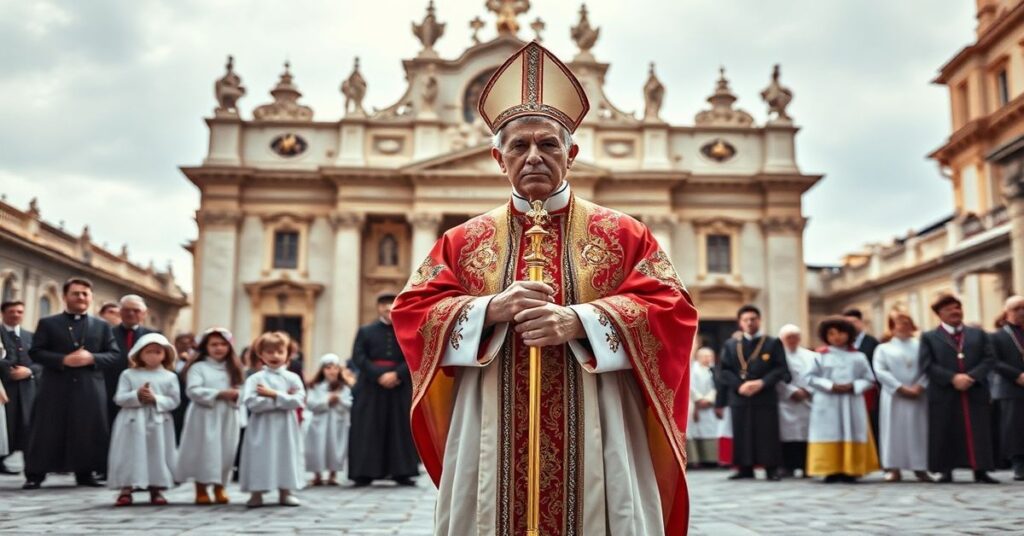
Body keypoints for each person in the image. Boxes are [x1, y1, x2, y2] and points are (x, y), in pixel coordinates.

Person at [391, 42, 697, 536]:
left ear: (572, 153)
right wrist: (489, 309)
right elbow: (410, 312)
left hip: (599, 427)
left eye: (548, 144)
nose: (533, 156)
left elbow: (673, 309)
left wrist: (582, 320)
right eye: (518, 146)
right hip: (490, 427)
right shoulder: (462, 240)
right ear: (498, 157)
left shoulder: (622, 233)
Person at [24, 277, 120, 489]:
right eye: (76, 293)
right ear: (65, 296)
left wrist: (92, 358)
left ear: (91, 298)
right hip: (55, 385)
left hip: (89, 386)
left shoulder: (102, 326)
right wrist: (63, 360)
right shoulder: (48, 323)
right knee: (47, 429)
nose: (81, 297)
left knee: (88, 429)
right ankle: (35, 474)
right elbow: (36, 352)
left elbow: (114, 354)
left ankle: (85, 472)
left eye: (85, 294)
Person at [920, 293, 998, 483]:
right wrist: (952, 378)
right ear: (939, 314)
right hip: (945, 391)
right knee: (946, 429)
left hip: (974, 388)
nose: (955, 312)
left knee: (979, 430)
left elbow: (989, 358)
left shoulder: (978, 334)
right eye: (949, 309)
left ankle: (981, 470)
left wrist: (971, 376)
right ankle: (946, 470)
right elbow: (927, 364)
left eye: (957, 308)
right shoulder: (930, 337)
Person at [348, 291, 420, 487]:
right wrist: (379, 375)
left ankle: (402, 471)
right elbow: (359, 357)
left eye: (392, 304)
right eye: (384, 304)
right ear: (378, 307)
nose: (388, 308)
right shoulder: (365, 331)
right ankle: (364, 472)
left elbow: (414, 354)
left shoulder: (407, 330)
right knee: (368, 427)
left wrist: (397, 374)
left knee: (400, 428)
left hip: (400, 385)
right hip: (371, 387)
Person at [718, 305, 789, 481]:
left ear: (759, 320)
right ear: (740, 323)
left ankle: (771, 468)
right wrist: (738, 385)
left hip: (764, 394)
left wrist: (762, 382)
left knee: (767, 432)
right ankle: (744, 468)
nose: (750, 322)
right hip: (739, 395)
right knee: (742, 430)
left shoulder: (772, 343)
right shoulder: (731, 344)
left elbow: (780, 368)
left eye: (753, 319)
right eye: (745, 320)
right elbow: (724, 370)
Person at [108, 333, 180, 506]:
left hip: (159, 422)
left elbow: (174, 400)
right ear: (139, 353)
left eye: (158, 352)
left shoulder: (170, 377)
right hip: (132, 422)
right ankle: (126, 488)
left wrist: (156, 399)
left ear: (165, 354)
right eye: (148, 352)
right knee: (129, 453)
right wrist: (137, 395)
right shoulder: (128, 374)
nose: (153, 356)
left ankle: (157, 487)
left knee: (157, 453)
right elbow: (119, 398)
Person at [805, 316, 880, 482]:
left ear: (849, 334)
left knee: (850, 431)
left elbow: (869, 379)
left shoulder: (858, 357)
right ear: (826, 336)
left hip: (851, 401)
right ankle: (829, 469)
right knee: (829, 433)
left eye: (840, 333)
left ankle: (851, 468)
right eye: (831, 333)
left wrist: (854, 386)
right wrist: (830, 385)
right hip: (827, 401)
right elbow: (809, 377)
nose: (836, 337)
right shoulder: (819, 356)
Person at [175, 327, 244, 504]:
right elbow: (193, 390)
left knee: (226, 450)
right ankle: (201, 486)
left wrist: (237, 395)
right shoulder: (198, 367)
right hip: (204, 415)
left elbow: (243, 390)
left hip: (227, 415)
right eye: (214, 344)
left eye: (222, 344)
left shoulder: (233, 368)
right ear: (205, 346)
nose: (218, 348)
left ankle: (220, 486)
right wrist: (220, 393)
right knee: (204, 450)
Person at [240, 331, 305, 507]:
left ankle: (286, 491)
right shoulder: (255, 379)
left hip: (286, 425)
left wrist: (273, 395)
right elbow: (252, 402)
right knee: (260, 455)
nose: (275, 356)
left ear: (287, 354)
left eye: (279, 352)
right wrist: (282, 400)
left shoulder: (293, 378)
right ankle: (256, 492)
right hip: (261, 425)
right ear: (261, 354)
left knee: (285, 454)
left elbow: (298, 400)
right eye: (269, 352)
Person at [873, 310, 929, 482]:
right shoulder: (884, 348)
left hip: (918, 394)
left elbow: (928, 367)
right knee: (893, 431)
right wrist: (899, 387)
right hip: (894, 396)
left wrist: (920, 385)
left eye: (907, 321)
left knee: (919, 431)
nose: (904, 325)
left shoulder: (921, 346)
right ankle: (894, 467)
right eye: (899, 322)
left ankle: (921, 468)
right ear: (891, 326)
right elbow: (880, 370)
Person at [107, 295, 158, 433]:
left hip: (142, 392)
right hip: (111, 390)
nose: (131, 313)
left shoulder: (154, 336)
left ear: (144, 313)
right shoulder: (107, 333)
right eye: (127, 310)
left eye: (136, 310)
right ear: (120, 312)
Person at [0, 300, 39, 474]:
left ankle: (31, 466)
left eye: (20, 312)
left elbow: (42, 362)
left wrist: (29, 371)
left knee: (27, 426)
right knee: (5, 426)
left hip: (28, 390)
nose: (16, 315)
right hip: (5, 388)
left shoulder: (30, 336)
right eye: (12, 311)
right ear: (3, 313)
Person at [304, 353, 354, 486]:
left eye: (335, 368)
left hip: (337, 422)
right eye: (328, 368)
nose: (332, 371)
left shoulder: (344, 387)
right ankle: (317, 475)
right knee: (317, 447)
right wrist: (326, 401)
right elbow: (310, 403)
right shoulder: (315, 386)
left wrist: (338, 400)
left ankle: (333, 474)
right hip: (319, 422)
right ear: (322, 370)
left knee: (335, 447)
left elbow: (349, 404)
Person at [989, 295, 1024, 481]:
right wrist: (1017, 376)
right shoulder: (997, 336)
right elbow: (993, 361)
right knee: (1015, 428)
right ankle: (1019, 464)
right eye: (1017, 308)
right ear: (1007, 312)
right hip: (1010, 387)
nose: (1022, 312)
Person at [776, 324, 816, 478]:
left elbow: (817, 375)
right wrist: (791, 391)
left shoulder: (811, 356)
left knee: (806, 435)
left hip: (807, 401)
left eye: (795, 337)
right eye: (788, 337)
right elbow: (776, 377)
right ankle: (788, 466)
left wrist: (807, 391)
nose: (792, 340)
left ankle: (807, 466)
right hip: (786, 401)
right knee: (788, 436)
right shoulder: (777, 356)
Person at [844, 308, 881, 457]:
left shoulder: (872, 343)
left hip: (869, 391)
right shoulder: (844, 344)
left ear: (861, 322)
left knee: (871, 424)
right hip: (848, 391)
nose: (851, 326)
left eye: (853, 322)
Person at [687, 348, 718, 468]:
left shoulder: (714, 370)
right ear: (698, 357)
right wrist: (699, 399)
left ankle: (711, 459)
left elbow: (717, 386)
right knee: (694, 432)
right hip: (695, 405)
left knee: (710, 430)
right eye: (704, 356)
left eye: (709, 356)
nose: (707, 359)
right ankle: (696, 459)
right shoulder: (693, 370)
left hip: (710, 405)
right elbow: (690, 386)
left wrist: (709, 399)